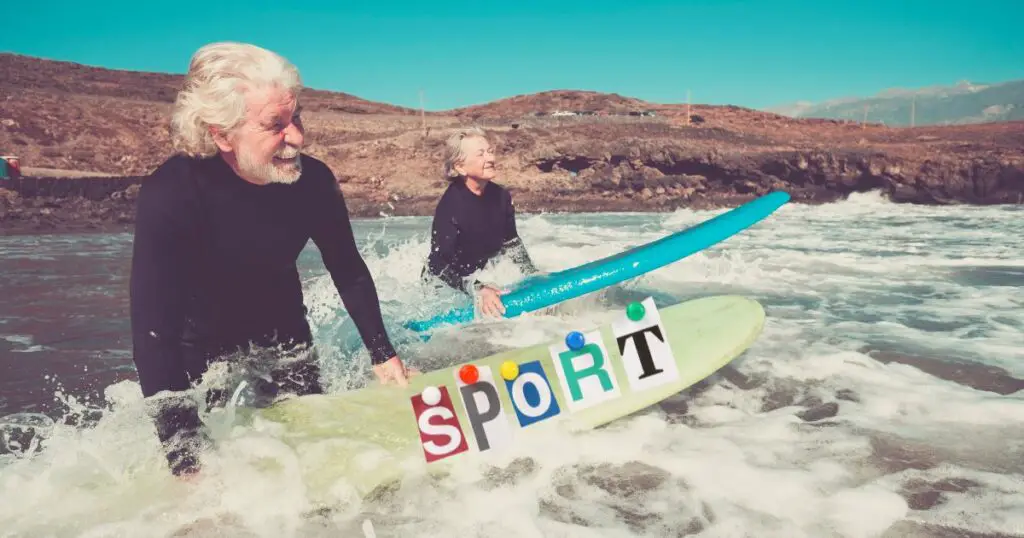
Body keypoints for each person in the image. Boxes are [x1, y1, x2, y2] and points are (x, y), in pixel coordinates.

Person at [129, 42, 415, 479]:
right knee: (211, 457)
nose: (298, 137)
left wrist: (384, 356)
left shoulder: (313, 181)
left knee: (312, 447)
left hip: (282, 329)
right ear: (220, 134)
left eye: (296, 117)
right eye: (275, 125)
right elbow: (154, 336)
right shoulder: (172, 195)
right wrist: (185, 464)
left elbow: (348, 269)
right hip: (198, 346)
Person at [423, 127, 538, 317]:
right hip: (445, 289)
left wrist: (532, 275)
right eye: (481, 154)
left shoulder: (501, 197)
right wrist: (477, 288)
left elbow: (511, 242)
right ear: (460, 167)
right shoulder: (451, 206)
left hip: (479, 275)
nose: (491, 159)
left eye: (490, 152)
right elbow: (436, 264)